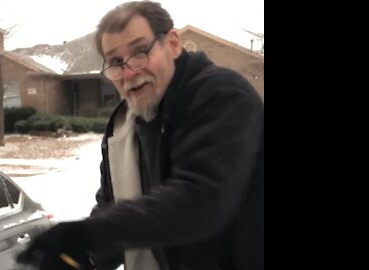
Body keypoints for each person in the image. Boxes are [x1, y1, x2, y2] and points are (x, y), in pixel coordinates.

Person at [16, 1, 264, 269]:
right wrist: (82, 257)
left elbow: (201, 199)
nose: (129, 71)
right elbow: (113, 205)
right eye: (115, 61)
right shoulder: (123, 124)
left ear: (172, 44)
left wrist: (88, 235)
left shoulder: (222, 96)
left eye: (140, 51)